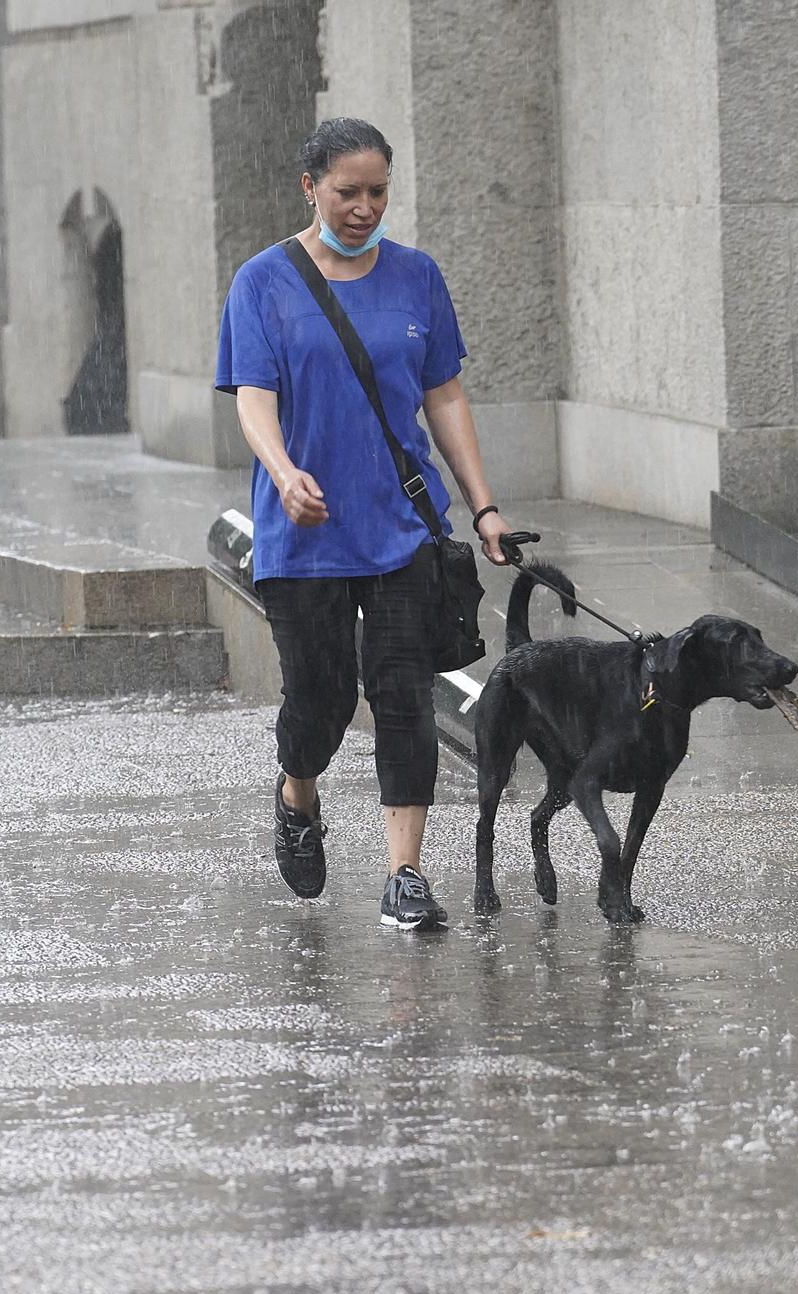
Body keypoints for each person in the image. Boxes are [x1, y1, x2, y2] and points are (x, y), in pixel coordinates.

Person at [215, 117, 513, 931]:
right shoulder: (263, 282)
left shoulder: (417, 277)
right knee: (319, 700)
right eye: (347, 192)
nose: (364, 207)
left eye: (378, 191)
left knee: (404, 698)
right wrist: (284, 475)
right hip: (303, 535)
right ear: (310, 187)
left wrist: (483, 506)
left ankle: (404, 873)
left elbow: (443, 394)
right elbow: (254, 399)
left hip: (397, 529)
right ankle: (297, 792)